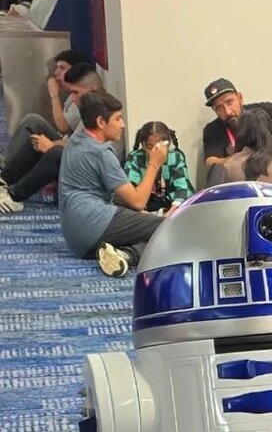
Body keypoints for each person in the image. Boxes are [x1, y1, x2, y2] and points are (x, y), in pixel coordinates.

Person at [59, 91, 168, 276]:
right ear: (101, 122)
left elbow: (120, 195)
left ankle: (115, 254)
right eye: (117, 119)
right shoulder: (101, 153)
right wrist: (154, 163)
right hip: (94, 224)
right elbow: (138, 201)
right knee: (168, 228)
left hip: (75, 237)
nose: (122, 125)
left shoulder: (77, 137)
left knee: (145, 223)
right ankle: (127, 256)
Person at [0, 64, 103, 214]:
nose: (73, 98)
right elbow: (76, 141)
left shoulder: (102, 114)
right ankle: (3, 179)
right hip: (82, 158)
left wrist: (51, 146)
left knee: (56, 153)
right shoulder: (91, 109)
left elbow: (89, 151)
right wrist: (49, 144)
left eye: (76, 93)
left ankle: (13, 196)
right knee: (37, 132)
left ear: (93, 90)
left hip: (91, 173)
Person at [201, 77, 272, 175]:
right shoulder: (213, 129)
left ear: (240, 98)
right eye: (219, 107)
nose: (227, 112)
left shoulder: (263, 112)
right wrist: (239, 159)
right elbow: (210, 161)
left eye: (229, 102)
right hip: (240, 176)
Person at [123, 121, 194, 212]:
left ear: (168, 144)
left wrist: (169, 213)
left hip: (171, 207)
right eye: (149, 147)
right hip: (143, 209)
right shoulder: (135, 158)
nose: (155, 151)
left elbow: (184, 189)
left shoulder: (176, 156)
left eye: (159, 147)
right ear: (143, 145)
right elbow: (131, 194)